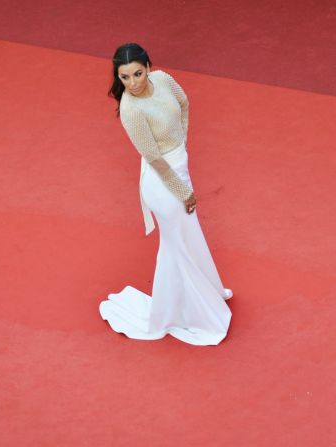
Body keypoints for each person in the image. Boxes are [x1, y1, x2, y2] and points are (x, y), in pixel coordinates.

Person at [99, 43, 232, 346]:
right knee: (175, 246)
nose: (132, 83)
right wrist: (183, 191)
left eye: (137, 73)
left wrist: (181, 141)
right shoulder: (132, 111)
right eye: (124, 78)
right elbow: (155, 159)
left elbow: (184, 104)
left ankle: (194, 302)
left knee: (189, 238)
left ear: (148, 67)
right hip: (163, 183)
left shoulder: (164, 79)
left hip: (178, 166)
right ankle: (183, 314)